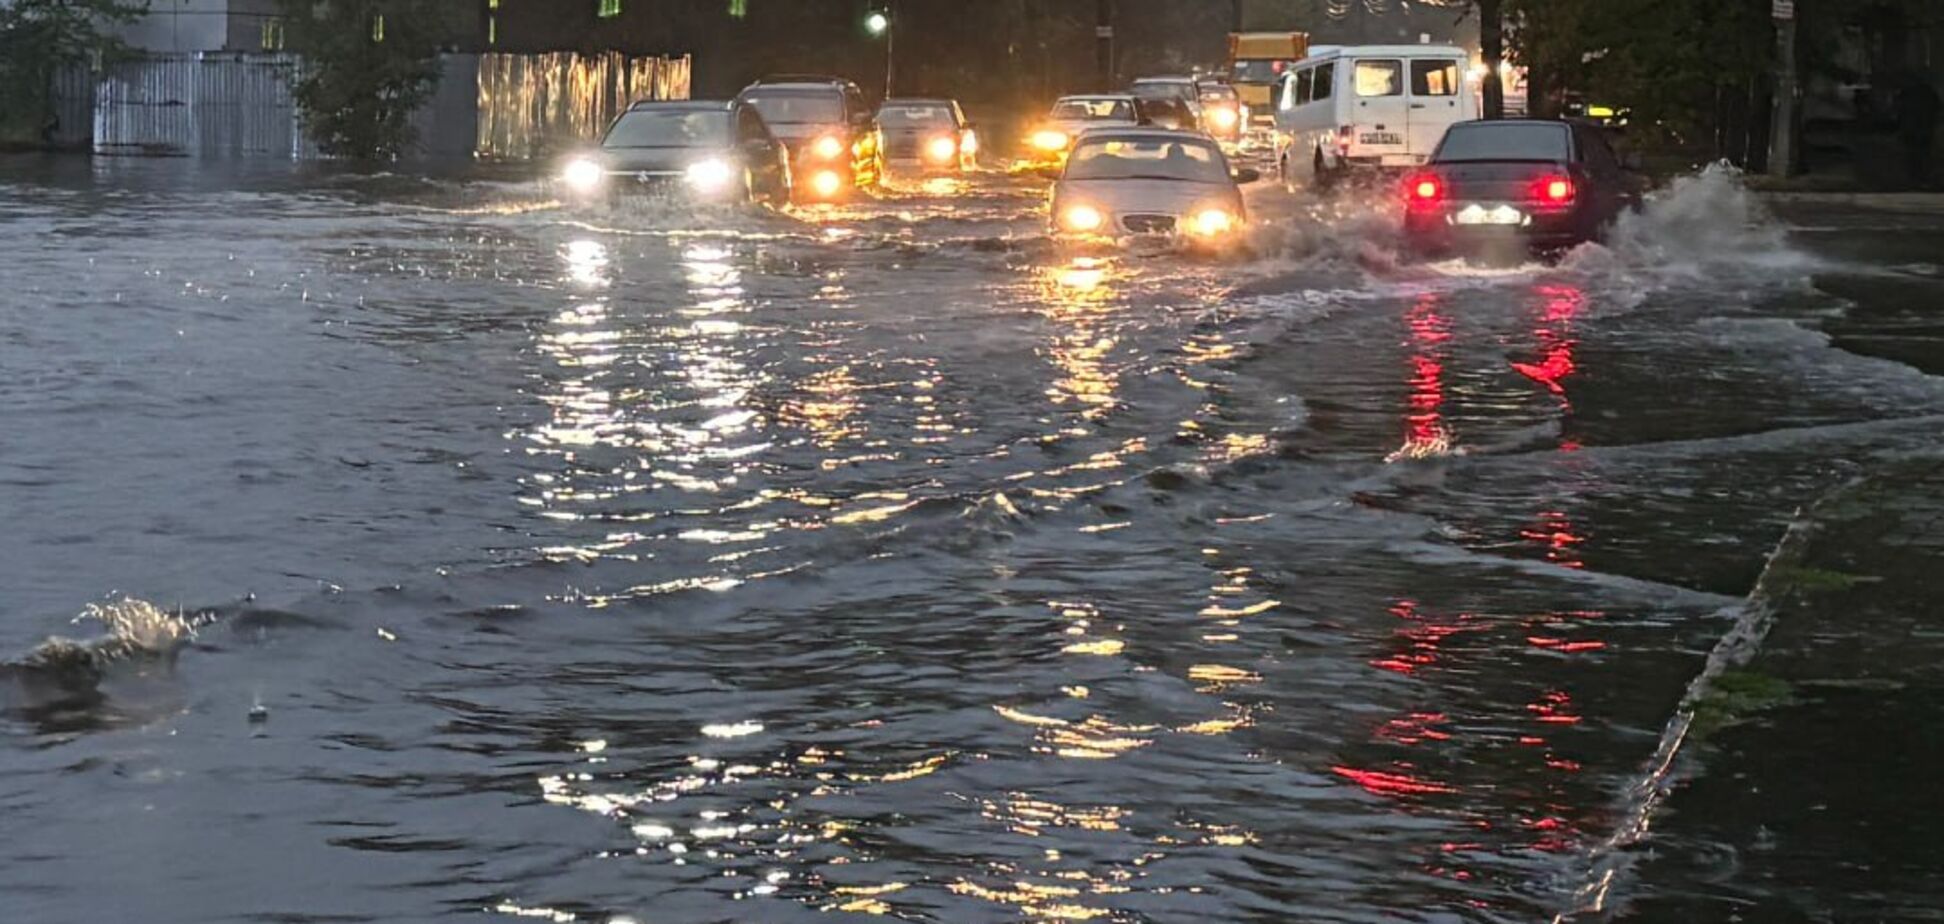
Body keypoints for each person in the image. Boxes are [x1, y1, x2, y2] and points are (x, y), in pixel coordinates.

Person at [1895, 74, 1940, 189]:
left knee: (1913, 154)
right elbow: (1937, 108)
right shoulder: (1928, 92)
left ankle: (1914, 178)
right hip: (1924, 128)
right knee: (1922, 154)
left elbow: (1899, 109)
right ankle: (1922, 178)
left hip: (1912, 128)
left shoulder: (1907, 93)